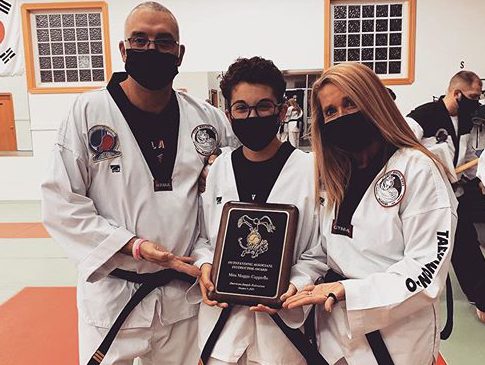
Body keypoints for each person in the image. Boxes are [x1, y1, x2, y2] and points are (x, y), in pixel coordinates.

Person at [41, 2, 236, 364]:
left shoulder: (206, 119)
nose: (152, 49)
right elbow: (61, 202)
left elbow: (227, 202)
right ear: (123, 50)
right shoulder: (88, 113)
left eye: (164, 42)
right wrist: (132, 245)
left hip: (183, 296)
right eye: (140, 40)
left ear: (179, 54)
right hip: (113, 292)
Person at [284, 62, 458, 364]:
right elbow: (325, 251)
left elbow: (426, 268)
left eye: (350, 103)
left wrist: (348, 292)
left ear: (374, 102)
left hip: (396, 336)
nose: (341, 117)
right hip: (333, 334)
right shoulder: (339, 174)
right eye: (331, 111)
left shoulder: (416, 169)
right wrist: (296, 283)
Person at [192, 57, 325, 365]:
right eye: (241, 108)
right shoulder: (218, 169)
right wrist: (204, 268)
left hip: (283, 327)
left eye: (263, 106)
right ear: (229, 114)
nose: (252, 115)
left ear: (280, 110)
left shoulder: (309, 170)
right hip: (222, 330)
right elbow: (202, 238)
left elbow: (320, 251)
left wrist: (294, 284)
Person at [407, 71, 485, 323]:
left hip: (454, 194)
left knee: (466, 244)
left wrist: (479, 175)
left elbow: (468, 155)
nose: (477, 101)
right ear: (456, 93)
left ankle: (482, 299)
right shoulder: (424, 114)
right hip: (426, 200)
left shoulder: (466, 119)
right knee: (418, 250)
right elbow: (400, 144)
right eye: (473, 96)